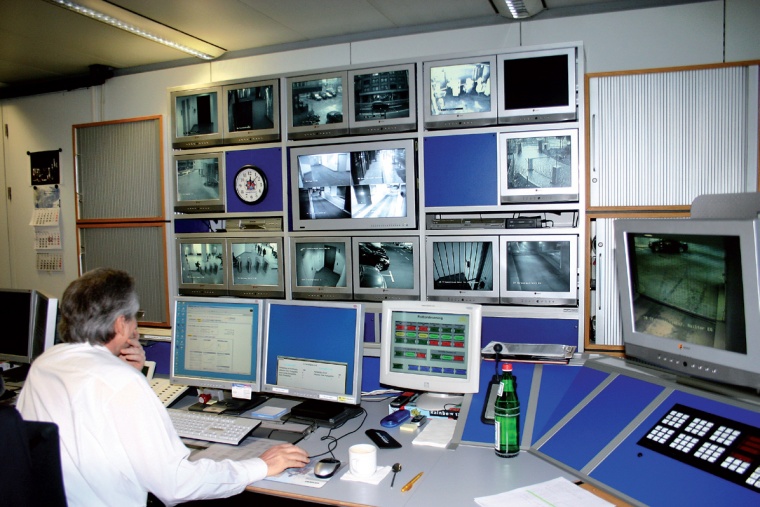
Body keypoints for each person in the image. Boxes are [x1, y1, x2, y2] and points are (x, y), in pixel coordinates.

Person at [17, 268, 309, 506]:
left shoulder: (46, 364)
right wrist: (260, 465)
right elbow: (176, 484)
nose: (136, 328)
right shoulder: (120, 384)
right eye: (134, 318)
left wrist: (124, 370)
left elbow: (92, 424)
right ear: (120, 325)